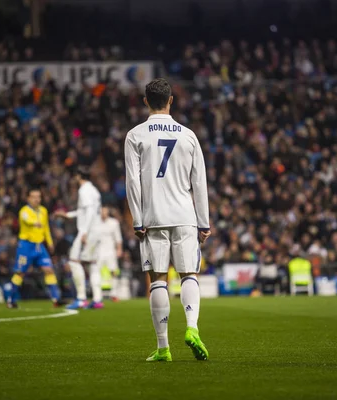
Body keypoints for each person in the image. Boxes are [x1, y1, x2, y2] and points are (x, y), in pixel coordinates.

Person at [124, 78, 211, 362]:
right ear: (171, 100)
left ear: (146, 101)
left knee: (158, 279)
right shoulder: (188, 135)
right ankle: (192, 328)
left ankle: (163, 348)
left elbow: (132, 182)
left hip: (153, 217)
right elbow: (200, 182)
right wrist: (204, 222)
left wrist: (137, 219)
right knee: (189, 275)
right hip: (185, 216)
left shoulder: (135, 135)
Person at [54, 166, 103, 309]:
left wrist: (84, 232)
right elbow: (86, 211)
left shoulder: (84, 190)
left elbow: (89, 211)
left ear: (78, 176)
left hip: (87, 231)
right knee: (93, 264)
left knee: (74, 260)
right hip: (96, 230)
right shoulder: (94, 190)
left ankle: (81, 298)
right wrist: (67, 215)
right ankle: (98, 299)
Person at [8, 188, 61, 308]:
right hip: (26, 246)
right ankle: (11, 300)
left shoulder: (43, 211)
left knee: (49, 270)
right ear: (28, 198)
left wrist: (50, 242)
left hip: (39, 246)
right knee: (20, 273)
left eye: (39, 197)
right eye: (34, 197)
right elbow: (26, 219)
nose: (37, 199)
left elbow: (46, 227)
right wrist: (35, 222)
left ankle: (56, 299)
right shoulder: (24, 211)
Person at [95, 207, 123, 301]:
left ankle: (114, 294)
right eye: (102, 211)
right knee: (96, 272)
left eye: (105, 211)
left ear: (108, 212)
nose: (104, 213)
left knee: (114, 272)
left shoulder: (114, 223)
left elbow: (118, 238)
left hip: (111, 251)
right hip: (98, 251)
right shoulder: (96, 223)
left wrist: (119, 249)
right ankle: (97, 294)